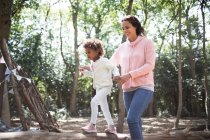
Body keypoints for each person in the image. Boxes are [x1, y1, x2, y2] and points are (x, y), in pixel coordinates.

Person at [110, 15, 156, 140]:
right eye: (123, 28)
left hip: (144, 87)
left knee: (131, 119)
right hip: (127, 90)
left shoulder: (147, 43)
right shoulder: (122, 47)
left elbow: (149, 65)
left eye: (127, 27)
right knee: (136, 121)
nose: (125, 30)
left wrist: (129, 75)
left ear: (135, 26)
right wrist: (92, 66)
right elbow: (110, 64)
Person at [80, 38, 119, 134]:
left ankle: (92, 125)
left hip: (105, 87)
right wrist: (84, 73)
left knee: (94, 102)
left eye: (89, 52)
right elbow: (94, 75)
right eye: (86, 53)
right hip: (98, 88)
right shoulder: (93, 64)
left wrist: (116, 74)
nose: (87, 55)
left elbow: (114, 67)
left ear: (97, 51)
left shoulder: (104, 61)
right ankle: (112, 127)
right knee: (104, 108)